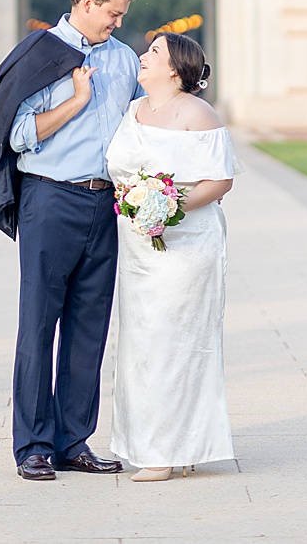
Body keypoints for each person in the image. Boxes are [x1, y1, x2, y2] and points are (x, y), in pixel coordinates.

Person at [2, 0, 144, 481]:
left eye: (122, 15)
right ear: (87, 3)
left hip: (105, 206)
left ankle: (73, 440)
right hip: (51, 201)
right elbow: (18, 136)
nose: (118, 23)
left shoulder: (125, 59)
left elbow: (138, 128)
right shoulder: (41, 55)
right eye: (113, 13)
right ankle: (33, 445)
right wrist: (77, 101)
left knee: (89, 327)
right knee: (39, 323)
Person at [105, 31, 240, 481]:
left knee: (174, 342)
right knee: (139, 347)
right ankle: (152, 443)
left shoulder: (198, 114)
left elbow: (220, 181)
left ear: (174, 69)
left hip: (186, 247)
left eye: (154, 52)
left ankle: (165, 452)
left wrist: (169, 207)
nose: (143, 57)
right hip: (138, 247)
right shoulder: (132, 111)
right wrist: (140, 207)